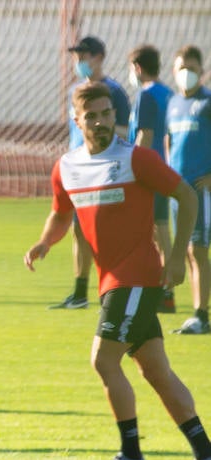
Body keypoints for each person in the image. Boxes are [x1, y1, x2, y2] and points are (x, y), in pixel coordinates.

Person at [24, 80, 211, 460]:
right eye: (91, 116)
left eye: (107, 114)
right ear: (77, 121)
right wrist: (44, 242)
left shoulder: (137, 159)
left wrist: (177, 256)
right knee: (157, 372)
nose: (101, 122)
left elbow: (188, 196)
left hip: (138, 276)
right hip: (113, 282)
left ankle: (131, 457)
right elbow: (60, 213)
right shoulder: (67, 167)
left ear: (115, 116)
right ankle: (206, 454)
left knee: (103, 360)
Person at [51, 36, 131, 310]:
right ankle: (80, 292)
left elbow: (126, 132)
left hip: (106, 169)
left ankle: (116, 288)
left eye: (83, 56)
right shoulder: (76, 90)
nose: (78, 61)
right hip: (79, 170)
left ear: (98, 57)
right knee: (79, 230)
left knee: (106, 232)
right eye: (76, 56)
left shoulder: (113, 92)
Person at [165, 45, 211, 334]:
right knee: (186, 250)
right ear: (174, 70)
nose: (187, 74)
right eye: (182, 68)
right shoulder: (172, 104)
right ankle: (197, 312)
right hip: (177, 189)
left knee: (198, 249)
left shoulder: (207, 102)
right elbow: (170, 141)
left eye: (192, 69)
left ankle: (201, 315)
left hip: (199, 190)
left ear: (201, 72)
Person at [128, 44, 177, 313]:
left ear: (137, 68)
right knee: (162, 231)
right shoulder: (169, 93)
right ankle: (164, 291)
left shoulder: (145, 96)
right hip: (168, 168)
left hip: (150, 172)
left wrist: (134, 168)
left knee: (156, 233)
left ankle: (163, 292)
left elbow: (144, 136)